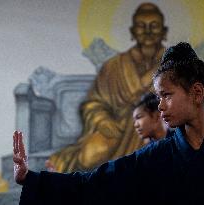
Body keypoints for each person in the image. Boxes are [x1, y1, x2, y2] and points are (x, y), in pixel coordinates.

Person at [14, 42, 204, 205]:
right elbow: (94, 183)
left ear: (196, 93)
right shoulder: (155, 157)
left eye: (167, 95)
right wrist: (31, 178)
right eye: (159, 97)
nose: (160, 105)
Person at [49, 2, 169, 172]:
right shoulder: (113, 66)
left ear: (163, 31)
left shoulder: (172, 65)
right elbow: (93, 103)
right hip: (116, 128)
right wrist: (103, 120)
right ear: (133, 32)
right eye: (142, 26)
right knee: (89, 155)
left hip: (154, 124)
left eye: (154, 26)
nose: (148, 31)